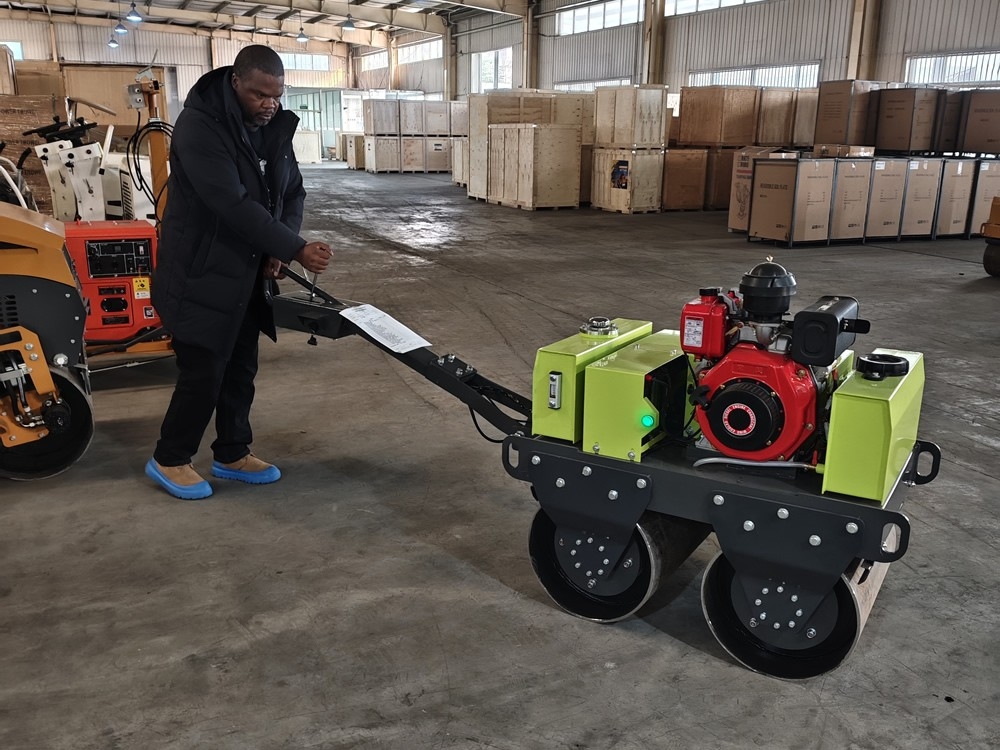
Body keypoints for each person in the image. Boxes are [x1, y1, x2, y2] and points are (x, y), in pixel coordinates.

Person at [146, 44, 331, 500]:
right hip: (200, 271)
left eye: (276, 95)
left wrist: (279, 248)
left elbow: (292, 192)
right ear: (235, 82)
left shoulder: (273, 128)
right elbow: (232, 204)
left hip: (247, 273)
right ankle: (169, 458)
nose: (269, 105)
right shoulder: (200, 127)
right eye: (259, 95)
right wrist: (294, 248)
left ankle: (231, 453)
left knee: (241, 367)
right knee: (204, 370)